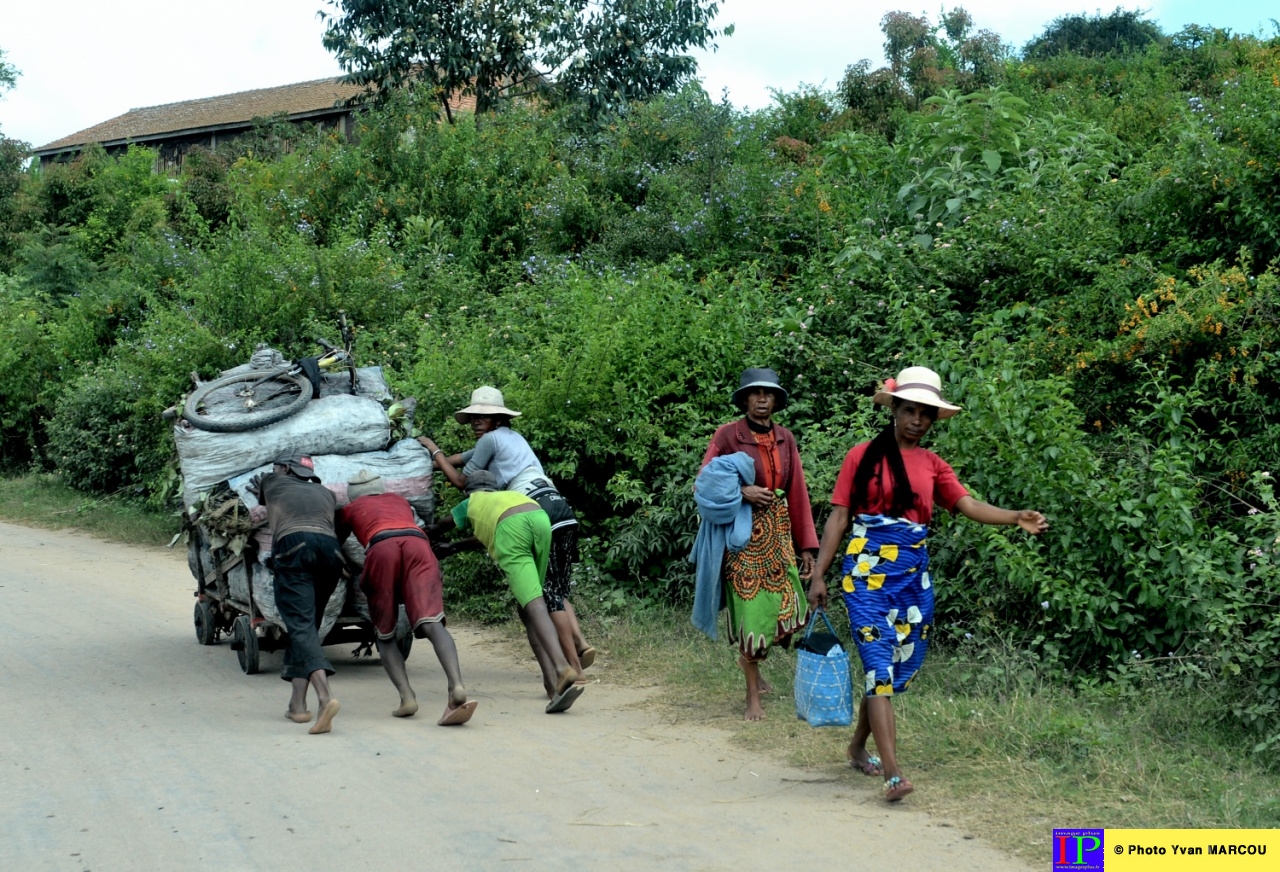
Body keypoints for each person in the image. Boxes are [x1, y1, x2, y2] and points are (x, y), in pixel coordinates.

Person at [807, 366, 1049, 802]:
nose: (917, 420)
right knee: (879, 666)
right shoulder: (861, 456)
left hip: (912, 579)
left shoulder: (933, 465)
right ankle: (894, 775)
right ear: (894, 410)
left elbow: (966, 503)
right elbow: (840, 518)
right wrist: (820, 574)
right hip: (865, 573)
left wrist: (1015, 517)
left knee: (896, 670)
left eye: (925, 415)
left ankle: (858, 745)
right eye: (909, 411)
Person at [417, 386, 594, 680]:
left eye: (482, 417)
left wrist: (433, 450)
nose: (476, 422)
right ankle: (579, 643)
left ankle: (571, 669)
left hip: (532, 506)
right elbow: (458, 459)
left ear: (498, 418)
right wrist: (433, 462)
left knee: (542, 597)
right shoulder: (510, 438)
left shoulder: (490, 441)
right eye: (473, 417)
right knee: (555, 588)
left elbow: (461, 480)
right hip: (557, 504)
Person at [699, 367, 819, 721]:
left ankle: (754, 665)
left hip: (779, 535)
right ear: (745, 399)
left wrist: (807, 546)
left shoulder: (786, 438)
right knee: (753, 613)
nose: (762, 399)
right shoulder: (728, 436)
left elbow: (797, 492)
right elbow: (704, 483)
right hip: (743, 540)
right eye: (755, 393)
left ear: (777, 400)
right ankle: (752, 697)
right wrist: (742, 492)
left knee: (790, 607)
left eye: (768, 393)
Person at [426, 467, 584, 714]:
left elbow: (442, 526)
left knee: (533, 604)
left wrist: (428, 532)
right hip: (540, 519)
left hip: (513, 529)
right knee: (530, 607)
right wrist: (454, 547)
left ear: (469, 491)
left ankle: (562, 668)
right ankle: (551, 684)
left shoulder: (471, 502)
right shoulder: (506, 497)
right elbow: (486, 536)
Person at [336, 470, 477, 726]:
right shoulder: (400, 500)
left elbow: (337, 542)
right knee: (434, 622)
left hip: (382, 548)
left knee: (385, 635)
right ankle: (456, 684)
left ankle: (407, 698)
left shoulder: (350, 508)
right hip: (418, 546)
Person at [249, 454, 343, 735]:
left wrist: (264, 486)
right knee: (305, 628)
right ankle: (297, 706)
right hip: (331, 551)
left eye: (278, 466)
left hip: (295, 546)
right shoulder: (326, 493)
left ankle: (325, 697)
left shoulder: (273, 480)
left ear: (286, 469)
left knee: (300, 625)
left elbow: (260, 498)